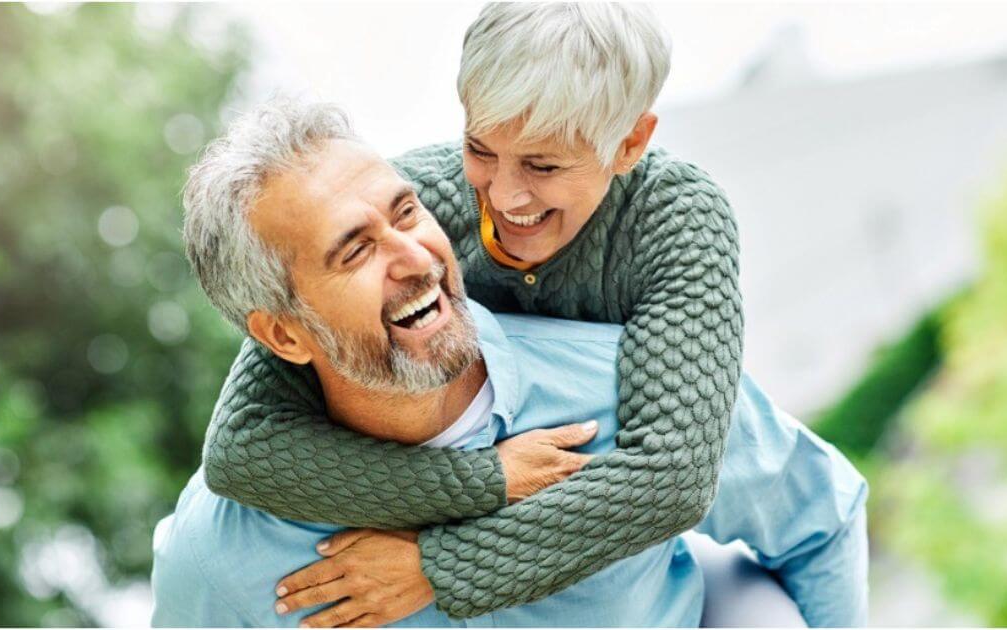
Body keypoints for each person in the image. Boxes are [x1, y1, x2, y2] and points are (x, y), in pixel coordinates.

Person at [152, 99, 868, 627]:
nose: (414, 258)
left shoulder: (625, 390)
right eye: (355, 250)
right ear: (283, 336)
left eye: (406, 214)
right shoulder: (222, 557)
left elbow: (821, 517)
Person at [201, 4, 751, 622]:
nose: (503, 194)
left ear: (629, 143)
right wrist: (483, 482)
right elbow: (240, 447)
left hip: (685, 556)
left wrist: (439, 567)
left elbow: (672, 477)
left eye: (543, 165)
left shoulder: (679, 220)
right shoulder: (411, 205)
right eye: (480, 148)